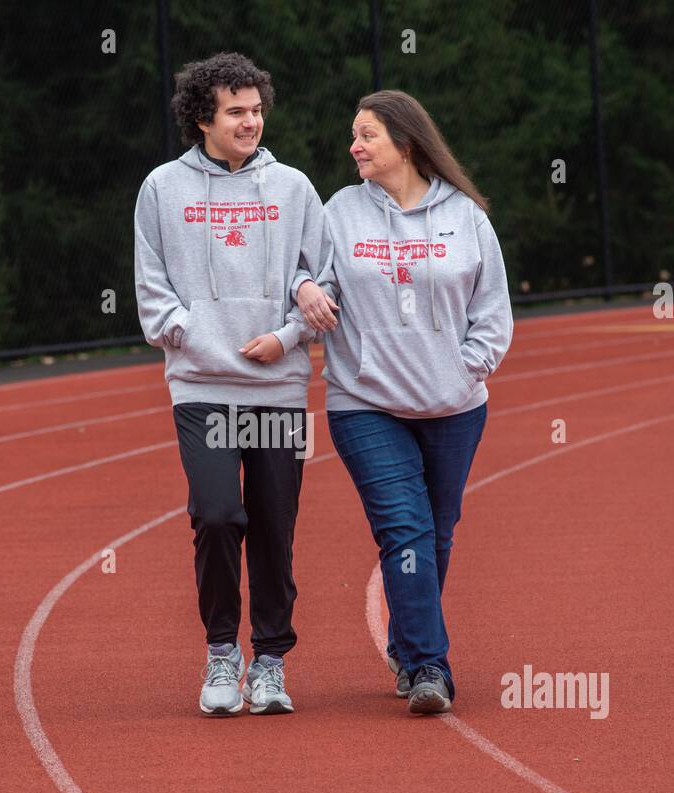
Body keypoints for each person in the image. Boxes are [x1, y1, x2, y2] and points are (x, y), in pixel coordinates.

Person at [293, 90, 514, 714]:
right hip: (366, 403)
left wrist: (461, 371)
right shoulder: (339, 212)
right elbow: (305, 274)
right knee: (406, 531)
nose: (353, 146)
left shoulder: (466, 216)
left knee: (437, 534)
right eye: (354, 135)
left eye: (366, 136)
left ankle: (406, 641)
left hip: (455, 407)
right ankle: (427, 668)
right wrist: (306, 286)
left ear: (407, 143)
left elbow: (492, 313)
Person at [134, 52, 327, 716]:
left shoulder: (295, 188)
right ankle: (223, 649)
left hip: (277, 387)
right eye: (236, 112)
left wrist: (288, 336)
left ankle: (270, 660)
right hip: (202, 385)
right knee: (217, 515)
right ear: (202, 118)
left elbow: (322, 281)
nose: (252, 122)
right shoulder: (161, 188)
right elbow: (153, 298)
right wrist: (207, 341)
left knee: (275, 524)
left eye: (256, 109)